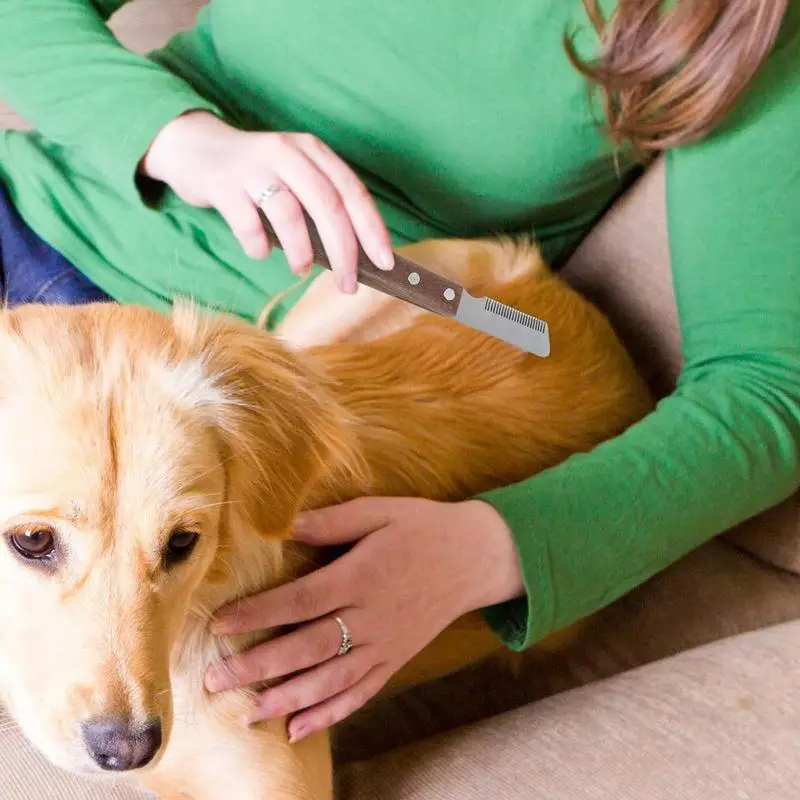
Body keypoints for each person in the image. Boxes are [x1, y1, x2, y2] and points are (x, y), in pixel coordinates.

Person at [0, 0, 798, 748]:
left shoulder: (740, 23)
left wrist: (494, 546)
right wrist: (175, 134)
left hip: (224, 387)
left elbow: (767, 390)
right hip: (29, 214)